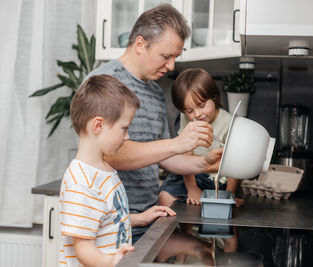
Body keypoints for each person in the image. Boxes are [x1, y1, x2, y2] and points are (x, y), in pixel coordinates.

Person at [85, 4, 222, 242]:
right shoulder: (102, 85)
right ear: (140, 44)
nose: (171, 66)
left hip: (149, 219)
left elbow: (161, 155)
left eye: (175, 58)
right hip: (108, 226)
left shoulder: (157, 94)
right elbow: (109, 155)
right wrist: (178, 143)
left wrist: (202, 162)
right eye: (166, 56)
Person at [59, 74, 176, 267]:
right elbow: (83, 250)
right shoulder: (82, 183)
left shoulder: (104, 169)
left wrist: (140, 218)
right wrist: (113, 260)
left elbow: (107, 219)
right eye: (124, 128)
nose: (127, 136)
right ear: (98, 126)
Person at [158, 68, 239, 207]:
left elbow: (235, 166)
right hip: (190, 173)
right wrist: (192, 188)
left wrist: (230, 195)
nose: (197, 114)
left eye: (201, 106)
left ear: (214, 97)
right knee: (165, 197)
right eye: (189, 111)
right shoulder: (187, 119)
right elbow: (186, 154)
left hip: (217, 180)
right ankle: (185, 230)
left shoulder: (230, 122)